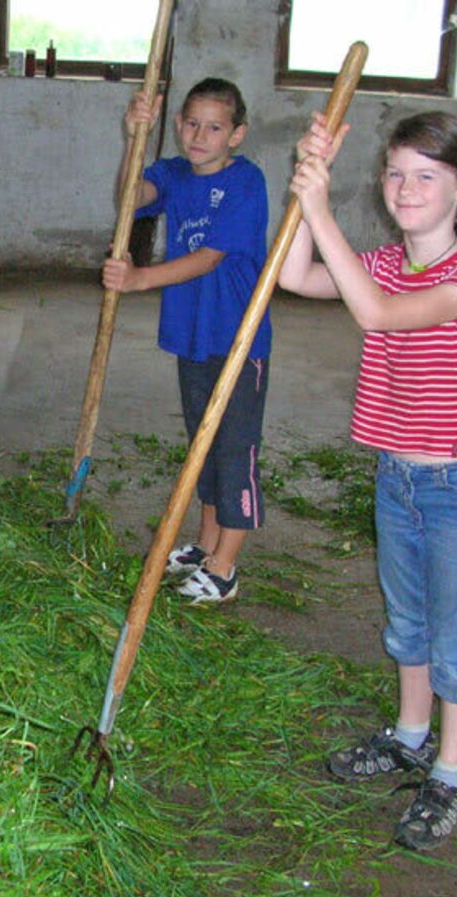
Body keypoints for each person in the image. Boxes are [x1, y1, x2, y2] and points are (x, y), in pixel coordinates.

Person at [277, 110, 457, 851]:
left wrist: (320, 207)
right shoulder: (380, 260)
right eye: (395, 173)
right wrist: (309, 184)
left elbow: (376, 318)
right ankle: (410, 735)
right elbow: (293, 274)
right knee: (406, 623)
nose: (406, 189)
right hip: (397, 477)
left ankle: (449, 775)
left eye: (427, 177)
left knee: (453, 641)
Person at [102, 78, 272, 604]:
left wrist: (139, 279)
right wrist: (135, 137)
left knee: (234, 449)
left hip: (237, 341)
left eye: (215, 127)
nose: (200, 134)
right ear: (177, 125)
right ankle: (204, 546)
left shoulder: (247, 182)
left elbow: (211, 256)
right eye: (191, 123)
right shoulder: (173, 174)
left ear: (236, 134)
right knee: (203, 445)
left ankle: (224, 569)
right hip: (193, 339)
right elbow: (129, 198)